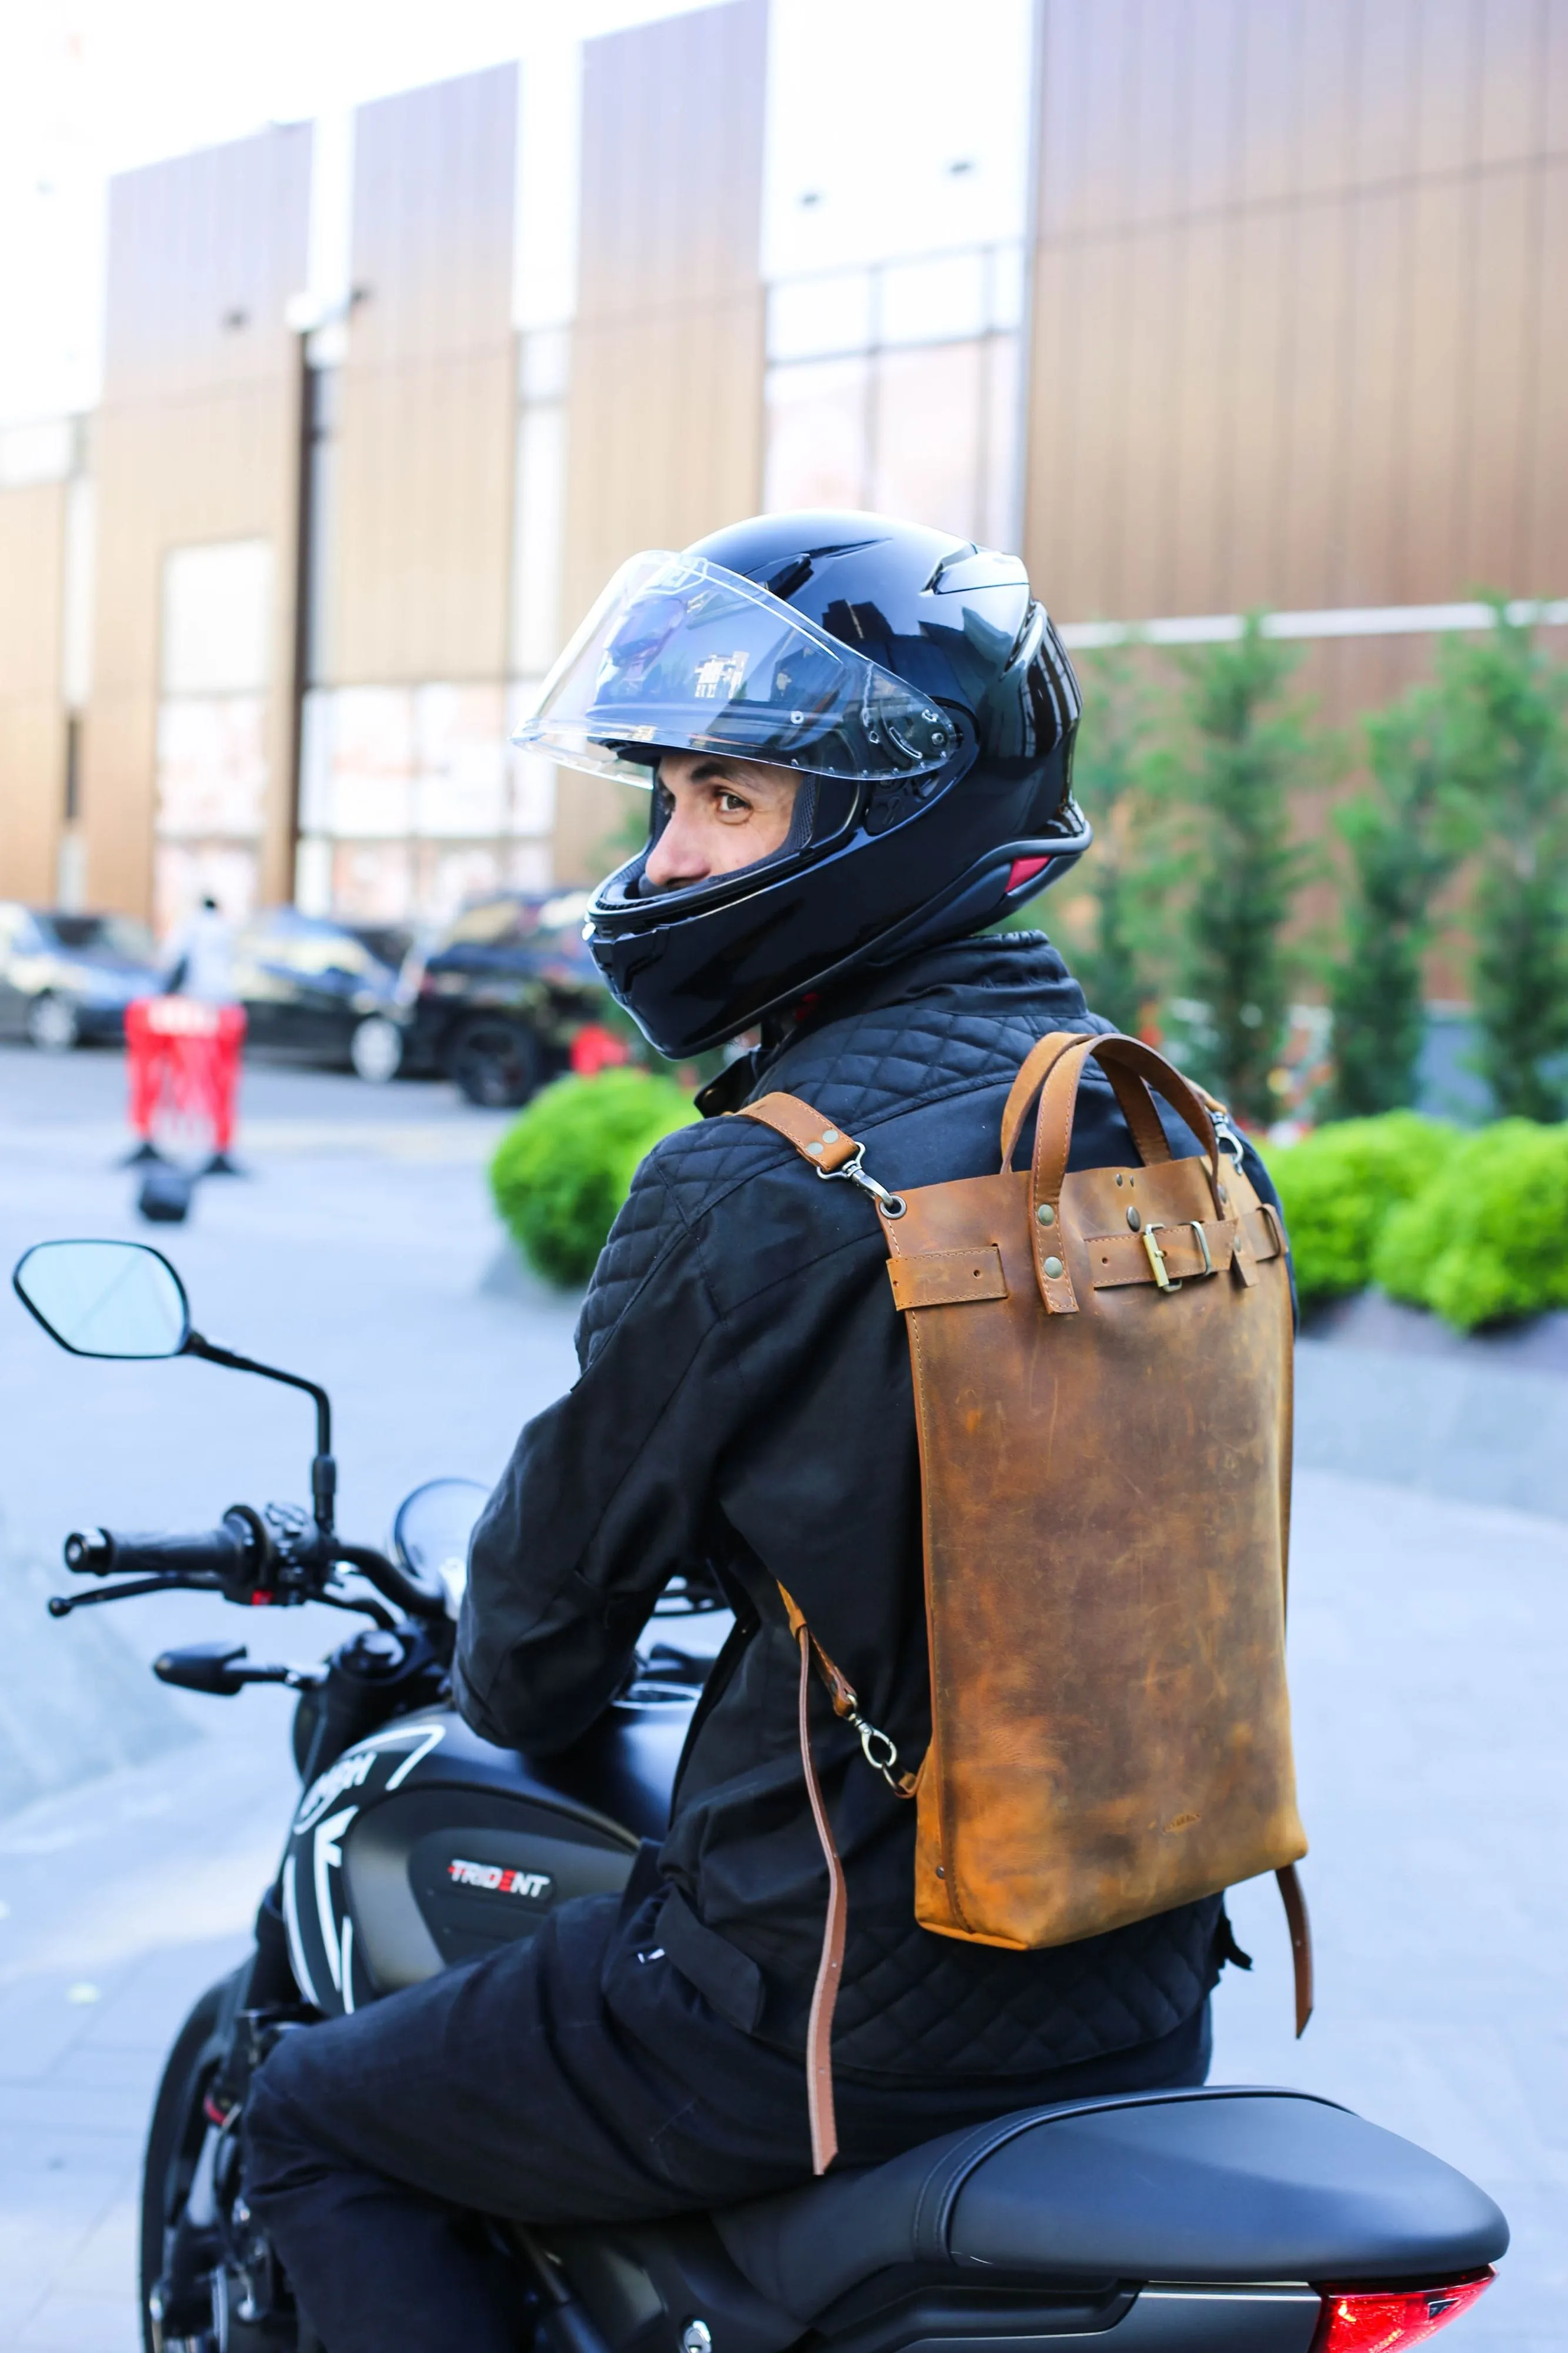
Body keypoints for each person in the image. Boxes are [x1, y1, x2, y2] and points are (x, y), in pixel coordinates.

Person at [243, 512, 1282, 2353]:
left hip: (810, 2025)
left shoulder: (754, 1185)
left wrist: (532, 1681)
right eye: (667, 801)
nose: (667, 857)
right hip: (1147, 1994)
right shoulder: (1183, 1136)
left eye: (726, 803)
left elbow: (540, 1645)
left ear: (892, 813)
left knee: (327, 2124)